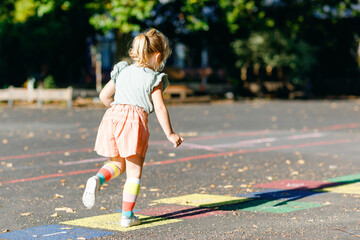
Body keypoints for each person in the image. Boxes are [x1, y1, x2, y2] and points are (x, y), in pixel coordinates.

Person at [82, 28, 184, 228]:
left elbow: (104, 96)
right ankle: (127, 216)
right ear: (157, 56)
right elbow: (160, 107)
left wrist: (118, 109)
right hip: (133, 122)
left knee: (118, 164)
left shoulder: (122, 70)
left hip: (112, 117)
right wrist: (170, 133)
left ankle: (97, 178)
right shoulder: (153, 78)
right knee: (134, 173)